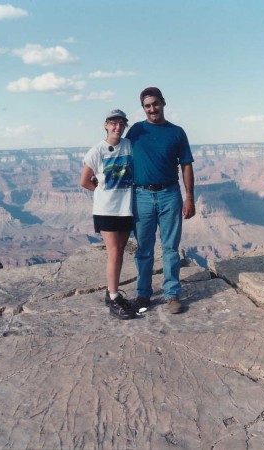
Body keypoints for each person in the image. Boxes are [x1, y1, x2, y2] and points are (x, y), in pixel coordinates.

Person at [126, 87, 195, 314]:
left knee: (170, 248)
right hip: (141, 195)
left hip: (169, 195)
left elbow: (186, 165)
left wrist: (189, 198)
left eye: (155, 104)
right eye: (147, 106)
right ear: (143, 108)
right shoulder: (136, 131)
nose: (152, 109)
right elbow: (120, 156)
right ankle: (143, 294)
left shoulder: (176, 132)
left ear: (163, 103)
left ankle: (172, 294)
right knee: (144, 248)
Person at [80, 109, 136, 320]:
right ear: (106, 125)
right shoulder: (97, 151)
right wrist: (103, 192)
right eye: (113, 123)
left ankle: (112, 292)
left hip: (127, 208)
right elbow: (85, 181)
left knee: (120, 249)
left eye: (121, 124)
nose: (117, 127)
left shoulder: (128, 145)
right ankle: (113, 298)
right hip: (107, 209)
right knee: (113, 251)